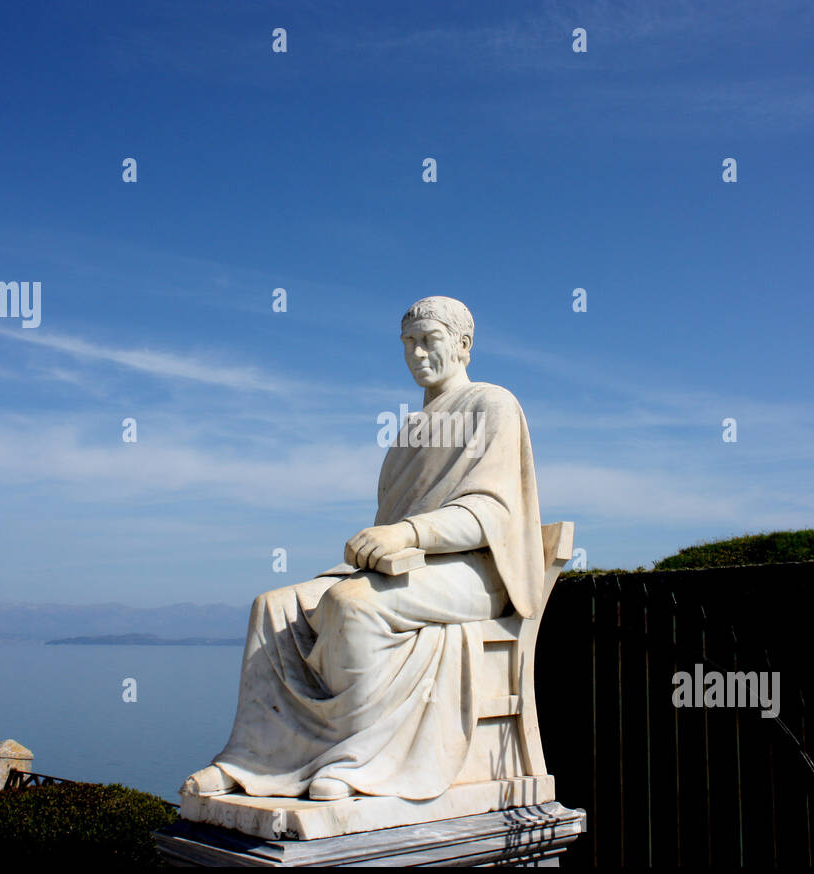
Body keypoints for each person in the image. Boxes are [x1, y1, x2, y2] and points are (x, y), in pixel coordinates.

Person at [181, 295, 543, 802]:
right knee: (274, 607)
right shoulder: (410, 430)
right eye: (408, 344)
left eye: (430, 340)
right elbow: (389, 522)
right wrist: (383, 543)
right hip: (412, 566)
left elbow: (492, 513)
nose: (418, 354)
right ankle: (255, 759)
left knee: (352, 605)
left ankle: (357, 761)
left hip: (472, 572)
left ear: (463, 346)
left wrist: (408, 534)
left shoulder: (493, 404)